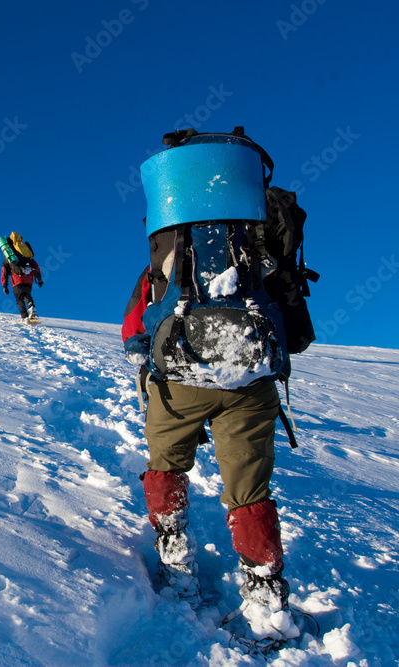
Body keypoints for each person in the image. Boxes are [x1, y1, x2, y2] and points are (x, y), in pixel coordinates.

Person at [123, 128, 297, 639]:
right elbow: (291, 315)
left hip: (178, 378)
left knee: (166, 463)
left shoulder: (166, 261)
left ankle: (174, 550)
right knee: (249, 491)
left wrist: (148, 357)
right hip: (250, 378)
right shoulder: (255, 242)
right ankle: (265, 596)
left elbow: (135, 330)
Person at [1, 253, 43, 322]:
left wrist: (5, 286)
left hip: (17, 280)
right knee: (27, 294)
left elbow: (4, 274)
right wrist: (39, 279)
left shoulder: (7, 259)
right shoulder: (25, 254)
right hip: (29, 279)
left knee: (19, 299)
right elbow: (36, 267)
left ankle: (24, 317)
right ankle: (31, 307)